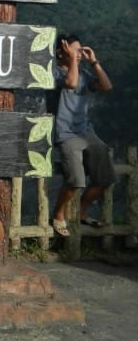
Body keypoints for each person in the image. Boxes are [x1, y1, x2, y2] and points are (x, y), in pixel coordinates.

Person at [50, 33, 115, 237]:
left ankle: (81, 210)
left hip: (86, 132)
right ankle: (58, 214)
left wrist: (93, 61)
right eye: (74, 50)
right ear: (62, 51)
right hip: (65, 133)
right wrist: (72, 61)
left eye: (79, 51)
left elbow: (106, 86)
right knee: (76, 180)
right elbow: (70, 82)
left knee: (105, 178)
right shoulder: (53, 73)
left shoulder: (85, 74)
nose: (78, 54)